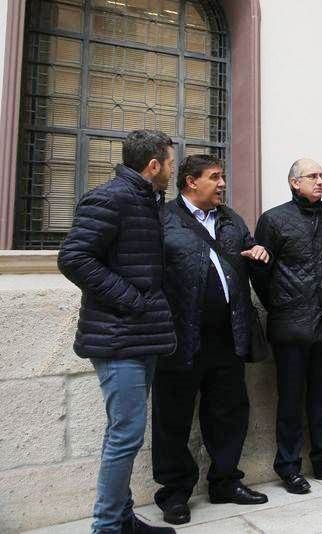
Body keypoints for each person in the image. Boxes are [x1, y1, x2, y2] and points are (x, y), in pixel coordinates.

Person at [57, 129, 177, 534]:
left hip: (141, 335)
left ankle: (123, 519)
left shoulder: (148, 200)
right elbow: (74, 257)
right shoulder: (110, 198)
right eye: (170, 164)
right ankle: (107, 527)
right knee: (125, 435)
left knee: (125, 432)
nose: (173, 171)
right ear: (154, 164)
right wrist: (132, 299)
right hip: (117, 337)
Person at [151, 155, 270, 525]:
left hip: (228, 334)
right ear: (190, 182)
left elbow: (246, 250)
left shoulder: (231, 219)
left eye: (223, 177)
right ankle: (174, 493)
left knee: (229, 411)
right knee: (173, 417)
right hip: (179, 336)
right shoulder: (163, 219)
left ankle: (224, 481)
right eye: (215, 177)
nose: (222, 184)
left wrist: (256, 253)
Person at [251, 158, 322, 494]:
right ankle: (289, 467)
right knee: (290, 401)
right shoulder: (273, 220)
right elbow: (260, 274)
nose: (320, 181)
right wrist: (281, 305)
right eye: (313, 176)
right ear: (295, 182)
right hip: (290, 326)